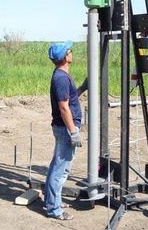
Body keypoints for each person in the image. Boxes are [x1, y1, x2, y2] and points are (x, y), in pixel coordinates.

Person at [44, 41, 87, 221]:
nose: (72, 53)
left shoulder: (62, 75)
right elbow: (63, 107)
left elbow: (68, 99)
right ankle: (54, 209)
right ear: (65, 57)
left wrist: (83, 88)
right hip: (65, 129)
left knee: (58, 166)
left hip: (64, 128)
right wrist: (73, 131)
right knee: (60, 170)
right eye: (70, 51)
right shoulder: (61, 78)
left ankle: (53, 201)